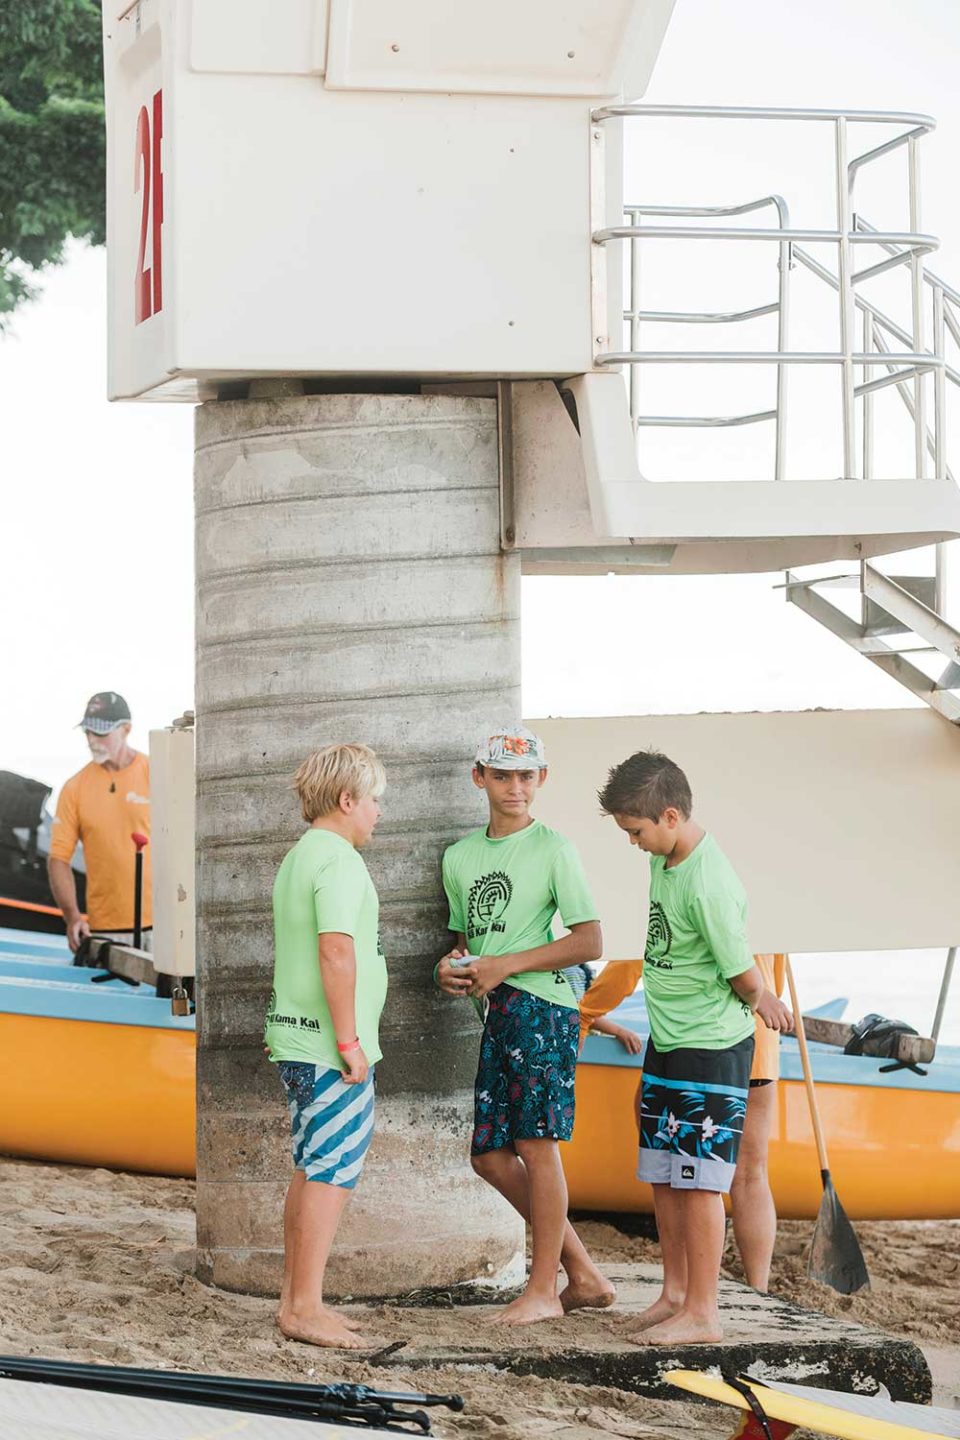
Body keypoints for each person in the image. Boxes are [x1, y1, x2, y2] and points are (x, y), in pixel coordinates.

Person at [596, 749, 793, 1345]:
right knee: (664, 1171)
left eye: (636, 832)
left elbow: (737, 963)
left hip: (711, 1044)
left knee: (701, 1178)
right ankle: (675, 1293)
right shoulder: (666, 859)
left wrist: (766, 1000)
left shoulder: (708, 880)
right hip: (670, 1037)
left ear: (672, 816)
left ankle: (703, 1311)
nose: (633, 843)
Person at [435, 726, 613, 1325]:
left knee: (537, 1147)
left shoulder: (554, 848)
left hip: (544, 1006)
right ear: (478, 776)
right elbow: (468, 941)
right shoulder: (458, 858)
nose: (517, 788)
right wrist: (451, 970)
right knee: (488, 1156)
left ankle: (542, 1293)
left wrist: (507, 964)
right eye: (504, 775)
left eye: (527, 776)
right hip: (497, 1011)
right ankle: (582, 1273)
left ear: (543, 779)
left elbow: (588, 940)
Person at [264, 743, 388, 1350]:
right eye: (374, 801)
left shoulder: (300, 856)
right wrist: (350, 1041)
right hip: (328, 1046)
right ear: (347, 801)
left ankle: (297, 1299)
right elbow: (335, 949)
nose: (378, 814)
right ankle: (305, 1307)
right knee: (332, 1170)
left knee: (312, 1164)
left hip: (296, 1039)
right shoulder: (338, 860)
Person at [579, 952, 789, 1287]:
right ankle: (758, 1289)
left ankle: (686, 1286)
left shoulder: (687, 899)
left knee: (678, 1173)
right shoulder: (759, 904)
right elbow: (773, 979)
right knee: (751, 1175)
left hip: (705, 1040)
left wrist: (586, 1012)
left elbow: (632, 959)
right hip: (760, 1038)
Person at [48, 692, 152, 952]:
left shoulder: (156, 771)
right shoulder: (74, 787)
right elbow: (58, 859)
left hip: (163, 925)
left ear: (126, 729)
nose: (93, 740)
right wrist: (72, 917)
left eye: (101, 733)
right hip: (105, 930)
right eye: (88, 732)